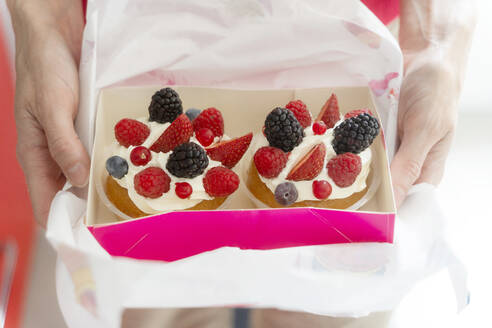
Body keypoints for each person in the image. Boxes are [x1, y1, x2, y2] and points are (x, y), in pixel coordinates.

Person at [7, 0, 476, 327]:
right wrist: (44, 21)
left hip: (361, 57)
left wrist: (436, 46)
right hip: (119, 61)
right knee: (148, 309)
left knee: (327, 307)